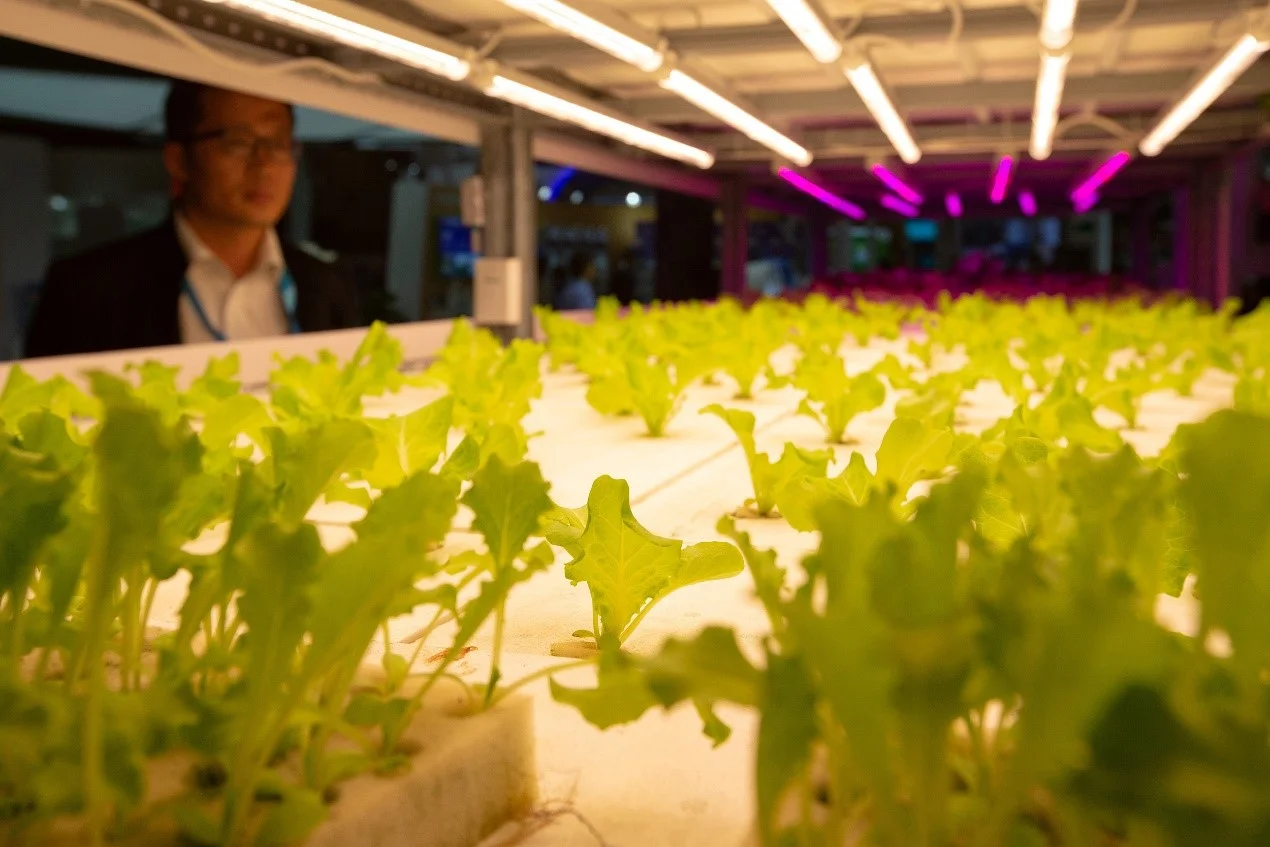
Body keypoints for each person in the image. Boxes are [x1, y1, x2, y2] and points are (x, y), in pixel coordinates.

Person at [25, 81, 358, 358]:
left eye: (279, 143)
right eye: (238, 142)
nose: (265, 164)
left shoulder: (326, 285)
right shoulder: (89, 290)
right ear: (179, 160)